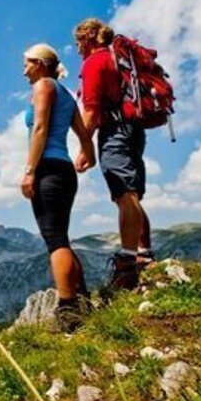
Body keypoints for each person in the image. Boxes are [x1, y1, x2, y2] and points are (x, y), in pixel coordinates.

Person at [72, 18, 154, 298]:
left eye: (79, 41)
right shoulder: (119, 61)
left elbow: (92, 111)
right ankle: (143, 252)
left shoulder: (95, 62)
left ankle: (128, 264)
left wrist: (84, 146)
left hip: (114, 130)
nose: (77, 49)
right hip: (134, 129)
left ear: (90, 37)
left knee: (124, 192)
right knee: (131, 193)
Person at [20, 43, 96, 333]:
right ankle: (83, 298)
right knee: (61, 237)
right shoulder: (64, 93)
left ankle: (68, 310)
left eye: (27, 63)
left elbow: (39, 128)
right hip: (64, 170)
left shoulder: (44, 87)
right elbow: (82, 131)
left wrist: (30, 171)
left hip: (47, 170)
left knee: (55, 240)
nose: (24, 69)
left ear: (40, 63)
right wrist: (87, 152)